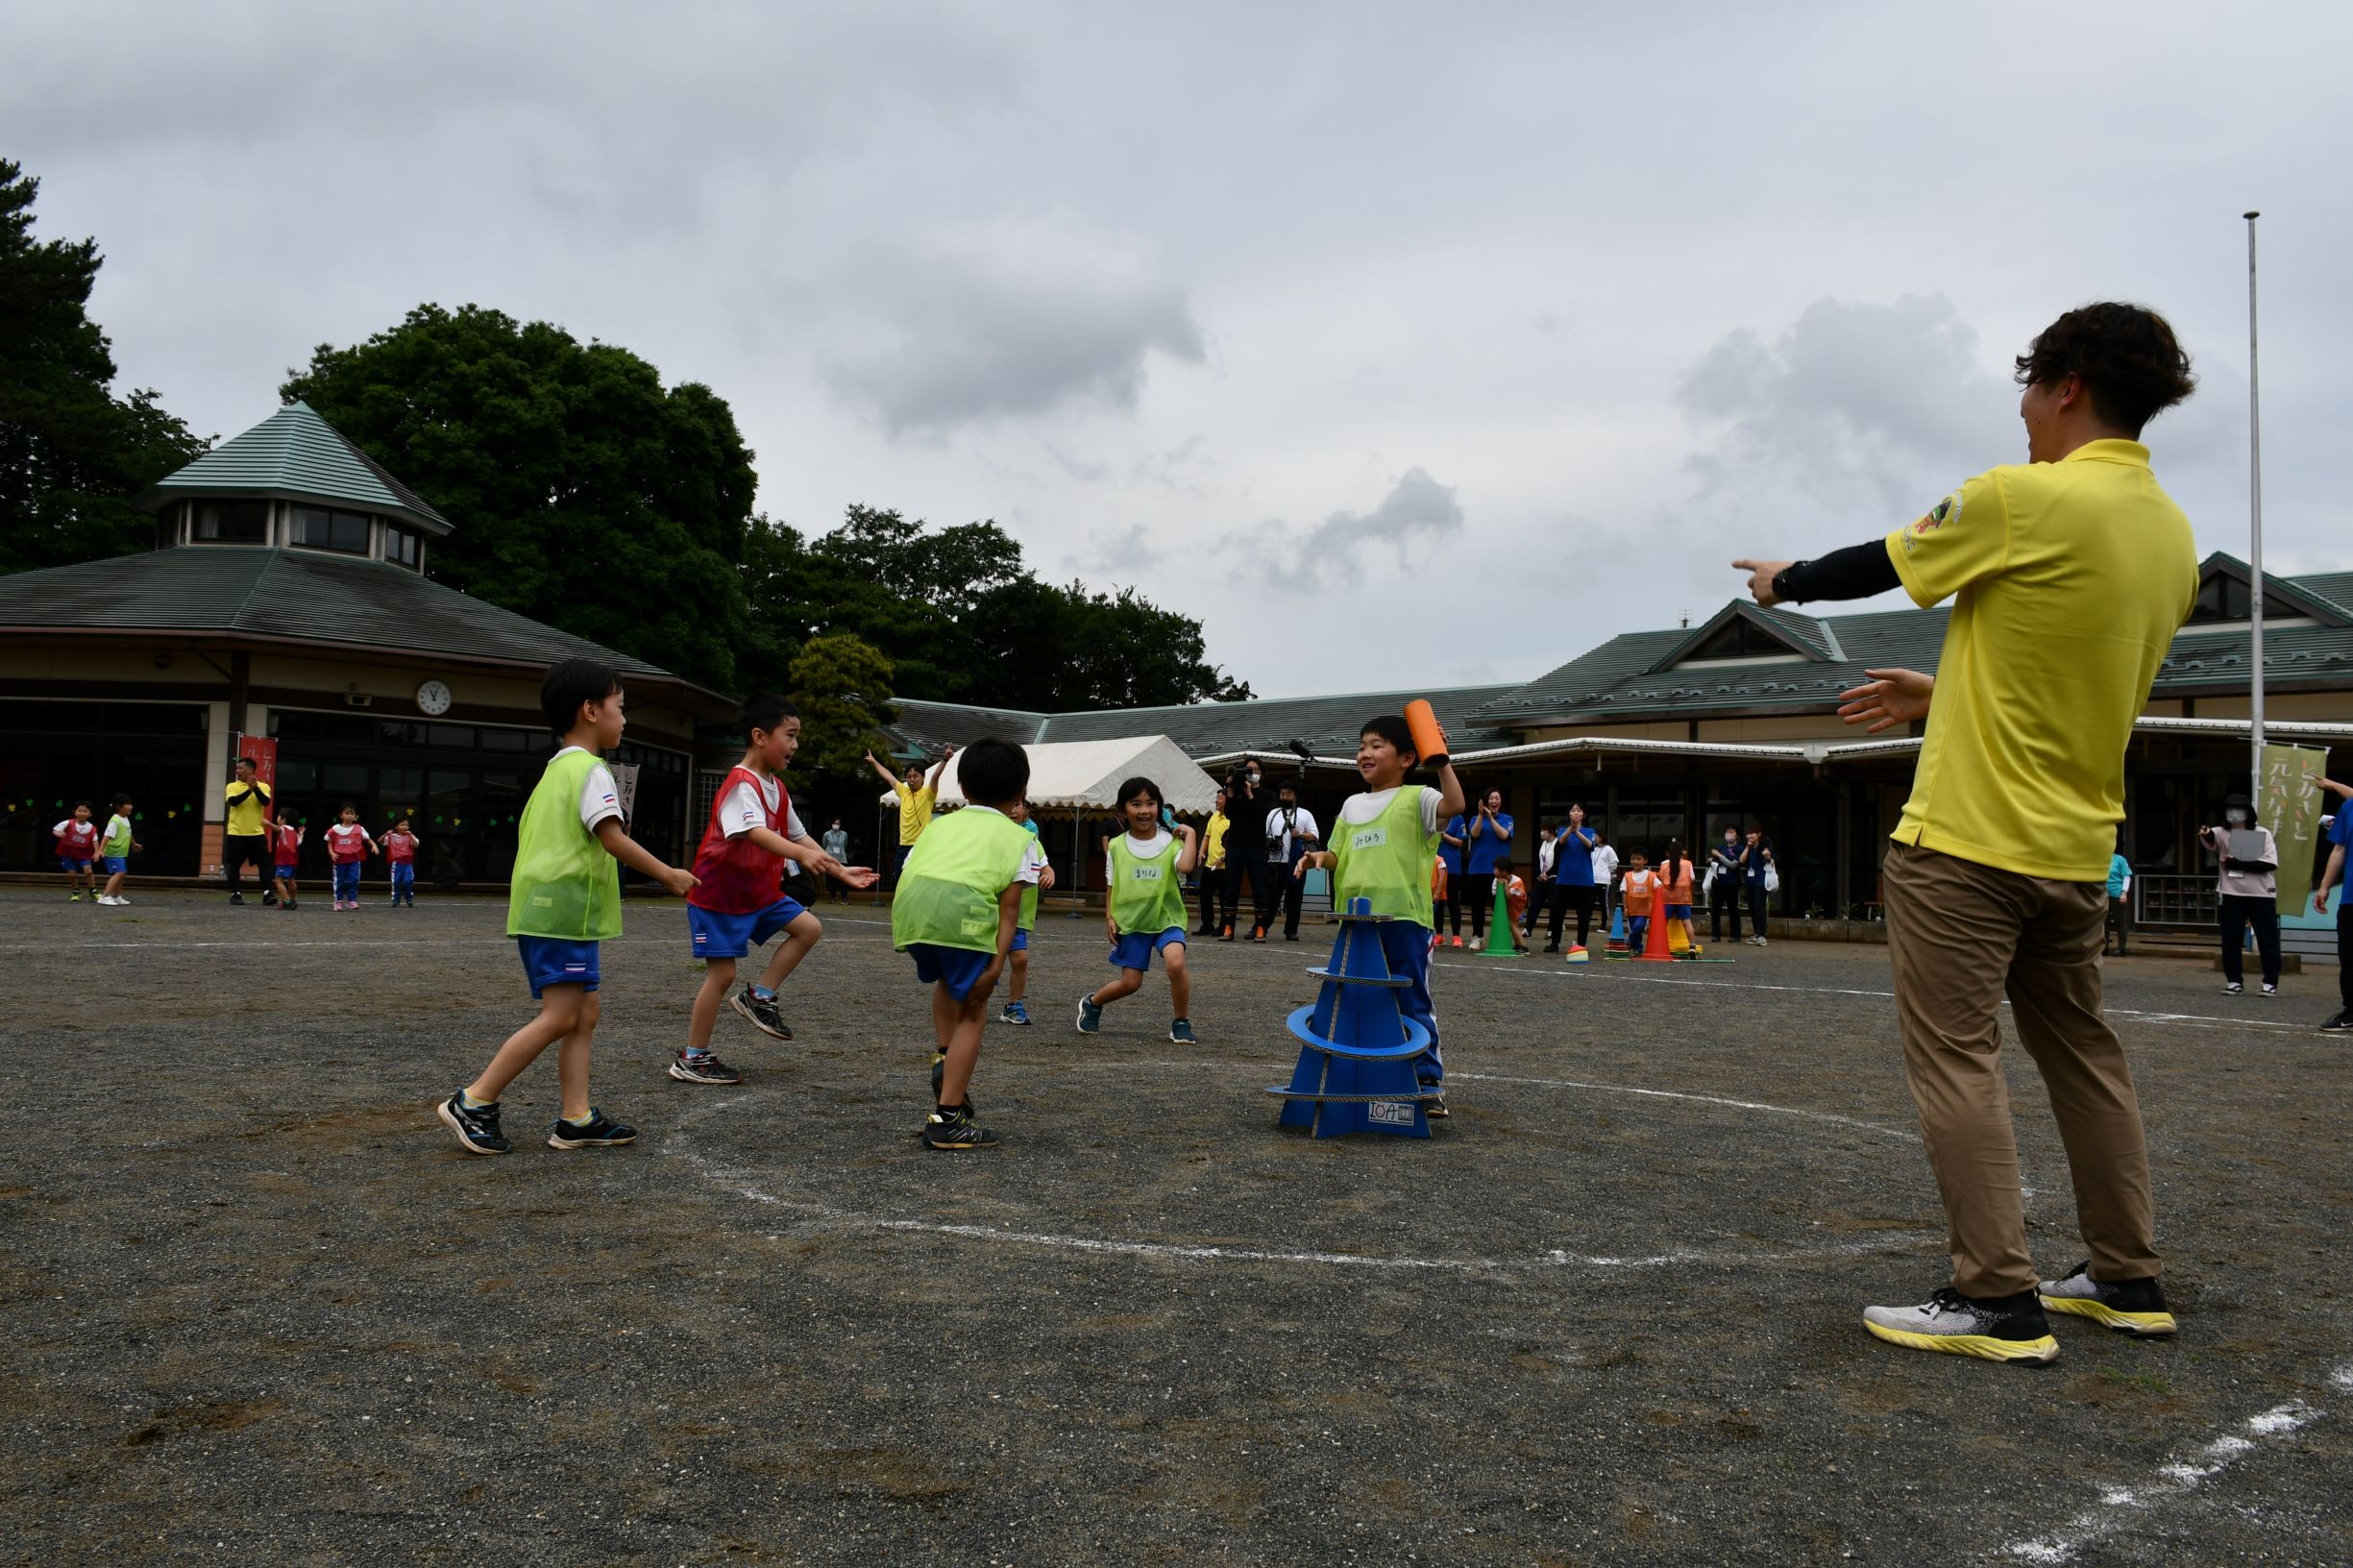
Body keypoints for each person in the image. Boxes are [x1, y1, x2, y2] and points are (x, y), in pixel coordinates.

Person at [1738, 300, 2198, 1363]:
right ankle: (2126, 1277)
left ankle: (1994, 1294)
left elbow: (1884, 562)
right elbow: (2063, 679)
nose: (2025, 411)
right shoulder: (2168, 534)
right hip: (2077, 844)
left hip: (1965, 843)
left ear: (2068, 385)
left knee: (1956, 1059)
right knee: (2083, 1054)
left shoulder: (2020, 498)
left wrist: (1783, 582)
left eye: (2031, 387)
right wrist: (1943, 691)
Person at [438, 659, 698, 1156]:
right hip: (561, 912)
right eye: (620, 709)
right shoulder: (591, 770)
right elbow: (611, 836)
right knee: (561, 1016)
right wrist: (667, 873)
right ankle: (473, 1101)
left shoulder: (555, 771)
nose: (624, 720)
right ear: (590, 710)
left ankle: (575, 1118)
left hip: (555, 911)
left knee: (583, 1012)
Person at [676, 695, 875, 1087]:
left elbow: (800, 835)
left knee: (809, 928)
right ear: (759, 736)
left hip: (758, 892)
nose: (796, 745)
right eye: (790, 735)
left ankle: (760, 997)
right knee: (721, 976)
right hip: (719, 896)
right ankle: (693, 1058)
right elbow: (755, 832)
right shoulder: (740, 784)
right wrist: (803, 854)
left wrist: (839, 870)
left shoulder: (776, 788)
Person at [1291, 717, 1466, 1114]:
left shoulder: (1418, 796)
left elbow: (1455, 804)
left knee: (1412, 1000)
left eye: (1376, 746)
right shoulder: (1351, 804)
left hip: (1404, 918)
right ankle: (1368, 1073)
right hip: (1356, 923)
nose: (1364, 754)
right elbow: (1338, 854)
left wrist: (1440, 761)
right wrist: (1320, 857)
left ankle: (1426, 1080)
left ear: (1407, 757)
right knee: (1357, 997)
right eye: (1362, 746)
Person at [890, 736, 1043, 1151]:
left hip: (912, 913)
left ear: (964, 788)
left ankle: (944, 1055)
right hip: (964, 917)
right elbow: (1008, 911)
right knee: (974, 1008)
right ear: (1020, 794)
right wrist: (995, 967)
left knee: (947, 982)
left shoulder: (940, 822)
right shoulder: (1018, 838)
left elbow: (913, 866)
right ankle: (948, 1118)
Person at [1078, 777, 1202, 1041]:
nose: (1144, 810)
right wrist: (1109, 916)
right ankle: (1093, 1002)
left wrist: (1190, 834)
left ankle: (1181, 1022)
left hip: (1167, 918)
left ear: (1159, 808)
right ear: (1123, 811)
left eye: (1150, 803)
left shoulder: (1171, 842)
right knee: (1131, 983)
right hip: (1132, 922)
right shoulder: (1116, 846)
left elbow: (1186, 867)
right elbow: (1111, 883)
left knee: (1176, 963)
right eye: (1136, 804)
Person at [2204, 794, 2280, 997]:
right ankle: (2234, 981)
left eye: (2238, 809)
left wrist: (2236, 863)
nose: (2234, 813)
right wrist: (2205, 833)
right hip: (2231, 893)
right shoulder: (2221, 832)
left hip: (2262, 894)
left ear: (2248, 812)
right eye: (2230, 809)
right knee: (2231, 940)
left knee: (2267, 940)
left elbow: (2270, 864)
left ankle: (2270, 982)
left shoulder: (2262, 833)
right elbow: (2210, 838)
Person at [865, 747, 955, 886]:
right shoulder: (903, 791)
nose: (912, 779)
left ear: (923, 777)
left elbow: (936, 776)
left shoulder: (928, 793)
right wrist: (874, 761)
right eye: (908, 776)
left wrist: (945, 759)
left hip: (921, 845)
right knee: (899, 879)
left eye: (916, 776)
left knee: (919, 880)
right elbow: (888, 776)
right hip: (903, 845)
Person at [1000, 799, 1056, 1025]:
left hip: (1017, 915)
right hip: (985, 911)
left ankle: (1014, 1006)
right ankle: (971, 1001)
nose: (1013, 810)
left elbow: (1045, 865)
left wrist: (1049, 873)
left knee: (1020, 959)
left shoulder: (1030, 840)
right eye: (1009, 805)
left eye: (1018, 805)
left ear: (1026, 810)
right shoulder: (993, 834)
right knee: (981, 961)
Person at [2314, 777, 2353, 1034]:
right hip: (2351, 898)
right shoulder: (2349, 808)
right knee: (2349, 958)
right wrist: (2325, 886)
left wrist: (2332, 785)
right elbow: (2339, 849)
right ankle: (2351, 1011)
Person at [1263, 781, 1321, 941]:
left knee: (1295, 898)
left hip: (1297, 862)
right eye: (1282, 793)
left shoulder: (1305, 814)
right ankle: (1262, 927)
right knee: (1271, 897)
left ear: (1295, 795)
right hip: (1275, 862)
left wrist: (1301, 834)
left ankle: (1291, 931)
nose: (1284, 796)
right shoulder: (1272, 813)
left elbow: (1315, 835)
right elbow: (1266, 836)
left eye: (1288, 794)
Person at [1225, 760, 1273, 941]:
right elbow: (1229, 814)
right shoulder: (1236, 792)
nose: (1252, 772)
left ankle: (1261, 928)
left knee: (1259, 888)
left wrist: (1249, 793)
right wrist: (1230, 788)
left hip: (1257, 846)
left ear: (1262, 773)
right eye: (1249, 769)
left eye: (1256, 770)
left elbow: (1262, 816)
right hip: (1235, 845)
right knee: (1231, 888)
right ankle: (1228, 927)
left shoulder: (1267, 795)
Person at [1460, 789, 1513, 947]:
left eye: (1497, 798)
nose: (1495, 801)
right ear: (1485, 802)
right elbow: (1474, 834)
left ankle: (1502, 937)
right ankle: (1477, 936)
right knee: (1477, 905)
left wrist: (1491, 819)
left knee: (1499, 905)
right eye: (1491, 798)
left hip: (1499, 870)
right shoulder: (1476, 818)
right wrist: (1482, 816)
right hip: (1477, 868)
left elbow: (1504, 835)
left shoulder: (1507, 818)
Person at [221, 755, 274, 905]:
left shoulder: (264, 786)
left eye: (240, 768)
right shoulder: (232, 786)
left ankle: (268, 894)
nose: (237, 771)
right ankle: (235, 894)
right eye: (237, 768)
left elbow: (266, 802)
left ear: (250, 770)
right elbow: (234, 802)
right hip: (236, 832)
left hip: (256, 833)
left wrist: (255, 788)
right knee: (234, 864)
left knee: (264, 863)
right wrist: (248, 791)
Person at [1551, 806, 1601, 954]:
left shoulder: (1590, 831)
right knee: (1557, 913)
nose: (1576, 813)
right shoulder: (1561, 830)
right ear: (1569, 814)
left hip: (1585, 881)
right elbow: (1561, 842)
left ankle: (1581, 945)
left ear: (1583, 815)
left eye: (1579, 811)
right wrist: (1570, 829)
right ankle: (1554, 943)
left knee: (1584, 916)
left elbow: (1589, 845)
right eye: (1573, 811)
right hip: (1564, 879)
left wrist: (1576, 831)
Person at [324, 804, 376, 912]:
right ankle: (338, 901)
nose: (350, 816)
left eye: (352, 814)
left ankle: (352, 900)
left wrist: (373, 845)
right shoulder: (335, 829)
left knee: (354, 879)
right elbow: (329, 840)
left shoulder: (359, 829)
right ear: (341, 815)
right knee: (339, 881)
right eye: (347, 813)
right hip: (339, 860)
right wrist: (331, 852)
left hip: (354, 859)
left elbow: (367, 839)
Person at [1195, 789, 1230, 936]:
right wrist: (1201, 851)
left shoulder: (1232, 819)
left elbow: (1235, 844)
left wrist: (1223, 857)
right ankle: (1207, 924)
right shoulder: (1214, 817)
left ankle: (1223, 926)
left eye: (1220, 798)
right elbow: (1207, 836)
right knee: (1204, 893)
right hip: (1210, 865)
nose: (1216, 801)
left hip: (1225, 866)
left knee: (1224, 897)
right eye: (1216, 798)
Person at [1658, 838, 1700, 957]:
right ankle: (1692, 946)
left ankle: (1661, 945)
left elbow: (1660, 878)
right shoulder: (1688, 863)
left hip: (1667, 898)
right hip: (1684, 898)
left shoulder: (1664, 864)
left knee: (1663, 923)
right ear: (1683, 852)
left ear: (1668, 853)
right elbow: (1692, 879)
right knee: (1686, 922)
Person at [94, 795, 138, 906]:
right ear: (119, 806)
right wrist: (100, 850)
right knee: (120, 873)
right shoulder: (115, 820)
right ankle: (105, 896)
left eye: (130, 804)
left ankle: (116, 896)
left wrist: (133, 844)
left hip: (120, 852)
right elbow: (106, 835)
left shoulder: (125, 818)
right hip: (113, 852)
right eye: (127, 804)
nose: (130, 807)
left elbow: (128, 832)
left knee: (121, 874)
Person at [54, 801, 100, 901]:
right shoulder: (67, 823)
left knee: (88, 872)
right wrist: (58, 834)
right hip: (68, 854)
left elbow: (95, 840)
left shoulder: (92, 828)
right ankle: (76, 891)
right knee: (72, 874)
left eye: (85, 811)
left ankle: (93, 891)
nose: (82, 813)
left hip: (84, 854)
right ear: (74, 812)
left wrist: (97, 852)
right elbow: (55, 830)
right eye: (79, 811)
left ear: (90, 814)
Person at [1436, 804, 1468, 946]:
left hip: (1452, 866)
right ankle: (1439, 935)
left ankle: (1456, 936)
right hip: (1434, 866)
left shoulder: (1458, 818)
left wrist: (1442, 834)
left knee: (1453, 902)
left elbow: (1460, 842)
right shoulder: (1433, 818)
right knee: (1437, 902)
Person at [1708, 826, 1747, 943]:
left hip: (1731, 883)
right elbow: (1715, 860)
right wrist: (1711, 860)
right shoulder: (1721, 847)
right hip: (1718, 882)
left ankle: (1735, 935)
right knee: (1715, 909)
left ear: (1736, 836)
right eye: (1727, 832)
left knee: (1733, 909)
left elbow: (1734, 865)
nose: (1728, 834)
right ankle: (1715, 935)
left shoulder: (1739, 849)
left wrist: (1719, 856)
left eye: (1731, 832)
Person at [1738, 829, 1774, 946]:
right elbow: (1741, 860)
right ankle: (1756, 933)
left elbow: (1769, 858)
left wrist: (1767, 856)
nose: (1750, 835)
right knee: (1752, 907)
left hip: (1760, 880)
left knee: (1759, 907)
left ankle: (1762, 935)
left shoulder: (1764, 845)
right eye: (1748, 833)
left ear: (1758, 835)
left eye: (1752, 833)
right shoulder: (1748, 847)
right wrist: (1748, 847)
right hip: (1750, 881)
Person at [1522, 826, 1556, 942]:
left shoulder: (1558, 843)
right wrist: (1539, 874)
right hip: (1540, 879)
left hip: (1553, 878)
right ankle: (1528, 929)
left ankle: (1551, 929)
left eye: (1545, 830)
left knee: (1553, 906)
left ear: (1551, 832)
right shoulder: (1541, 844)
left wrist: (1548, 874)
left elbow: (1558, 862)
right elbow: (1537, 861)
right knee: (1534, 904)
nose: (1542, 833)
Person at [1620, 849, 1656, 952]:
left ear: (1645, 861)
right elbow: (1624, 892)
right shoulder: (1627, 876)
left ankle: (1628, 943)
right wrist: (1625, 908)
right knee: (1635, 930)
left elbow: (1659, 889)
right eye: (1633, 859)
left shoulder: (1651, 875)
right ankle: (1637, 947)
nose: (1635, 861)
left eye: (1638, 859)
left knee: (1638, 927)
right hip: (1631, 909)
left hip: (1645, 911)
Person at [383, 817, 421, 907]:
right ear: (396, 826)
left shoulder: (410, 836)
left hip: (408, 863)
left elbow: (416, 845)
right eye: (402, 825)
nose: (405, 827)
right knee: (396, 881)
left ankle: (409, 898)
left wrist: (411, 835)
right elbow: (381, 841)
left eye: (407, 825)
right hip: (396, 862)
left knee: (408, 880)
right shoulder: (392, 836)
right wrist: (386, 834)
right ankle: (396, 899)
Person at [1497, 856, 1532, 954]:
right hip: (1511, 906)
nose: (1493, 871)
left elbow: (1508, 895)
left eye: (1495, 869)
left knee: (1513, 925)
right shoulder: (1499, 880)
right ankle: (1517, 945)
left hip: (1518, 906)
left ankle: (1523, 947)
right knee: (1513, 925)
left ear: (1504, 871)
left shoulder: (1517, 881)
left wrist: (1506, 884)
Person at [271, 814, 306, 912]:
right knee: (291, 880)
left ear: (283, 819)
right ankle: (292, 900)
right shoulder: (294, 832)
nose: (277, 819)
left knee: (278, 880)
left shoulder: (283, 828)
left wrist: (267, 823)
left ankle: (287, 901)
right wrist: (301, 833)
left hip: (284, 859)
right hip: (293, 859)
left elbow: (278, 829)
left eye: (278, 817)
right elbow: (299, 842)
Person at [2105, 838, 2132, 957]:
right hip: (2103, 894)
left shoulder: (2119, 860)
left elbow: (2126, 876)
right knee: (2103, 923)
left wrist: (2124, 892)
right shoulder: (2101, 860)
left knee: (2119, 922)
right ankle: (2104, 948)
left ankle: (2121, 948)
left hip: (2117, 894)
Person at [1589, 827, 1618, 938]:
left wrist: (1607, 873)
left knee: (1603, 903)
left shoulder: (1608, 849)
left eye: (1596, 836)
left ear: (1601, 838)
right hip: (1592, 880)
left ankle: (1603, 925)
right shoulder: (1593, 849)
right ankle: (1587, 923)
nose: (1594, 838)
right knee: (1589, 903)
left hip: (1603, 880)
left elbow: (1614, 863)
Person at [820, 819, 852, 901]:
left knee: (843, 878)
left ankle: (844, 897)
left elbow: (845, 844)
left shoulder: (844, 834)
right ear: (831, 824)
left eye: (838, 823)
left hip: (842, 859)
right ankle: (833, 896)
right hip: (830, 859)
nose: (836, 825)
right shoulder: (827, 834)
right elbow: (824, 844)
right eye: (834, 823)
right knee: (831, 879)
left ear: (840, 825)